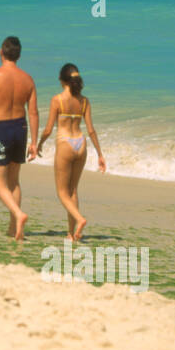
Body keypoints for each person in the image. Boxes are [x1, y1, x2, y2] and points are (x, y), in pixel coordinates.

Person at [0, 35, 38, 241]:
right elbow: (34, 113)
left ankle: (18, 215)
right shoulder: (28, 80)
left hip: (0, 129)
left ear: (1, 53)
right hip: (20, 128)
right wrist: (34, 142)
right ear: (18, 56)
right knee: (14, 181)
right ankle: (14, 229)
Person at [35, 63, 106, 242]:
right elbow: (91, 130)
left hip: (65, 143)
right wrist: (100, 154)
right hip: (81, 144)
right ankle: (72, 233)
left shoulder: (57, 100)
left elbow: (48, 129)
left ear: (62, 80)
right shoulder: (84, 101)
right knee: (73, 190)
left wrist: (39, 143)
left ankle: (80, 219)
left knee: (62, 192)